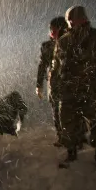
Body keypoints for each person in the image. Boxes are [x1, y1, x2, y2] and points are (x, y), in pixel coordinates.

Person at [52, 6, 96, 168]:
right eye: (68, 19)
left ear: (83, 18)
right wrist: (55, 89)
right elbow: (56, 68)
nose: (70, 22)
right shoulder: (63, 41)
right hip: (69, 92)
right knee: (68, 122)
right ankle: (71, 151)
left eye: (72, 19)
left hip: (93, 90)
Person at [36, 17, 69, 145]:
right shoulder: (47, 46)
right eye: (50, 29)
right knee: (56, 110)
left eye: (53, 29)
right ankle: (61, 135)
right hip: (55, 82)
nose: (51, 32)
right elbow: (42, 66)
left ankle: (76, 136)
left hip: (71, 82)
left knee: (73, 109)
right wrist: (39, 85)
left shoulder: (72, 42)